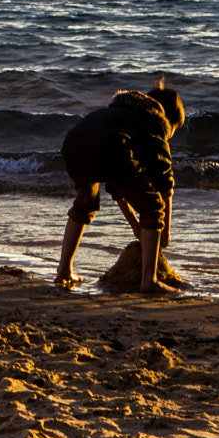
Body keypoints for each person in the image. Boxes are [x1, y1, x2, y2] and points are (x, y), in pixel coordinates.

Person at [54, 75, 187, 294]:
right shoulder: (156, 123)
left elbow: (117, 187)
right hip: (110, 146)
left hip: (75, 144)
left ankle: (63, 271)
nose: (170, 135)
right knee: (153, 206)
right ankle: (149, 281)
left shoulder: (124, 116)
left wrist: (136, 225)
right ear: (169, 120)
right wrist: (165, 233)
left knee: (84, 204)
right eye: (174, 129)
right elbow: (164, 183)